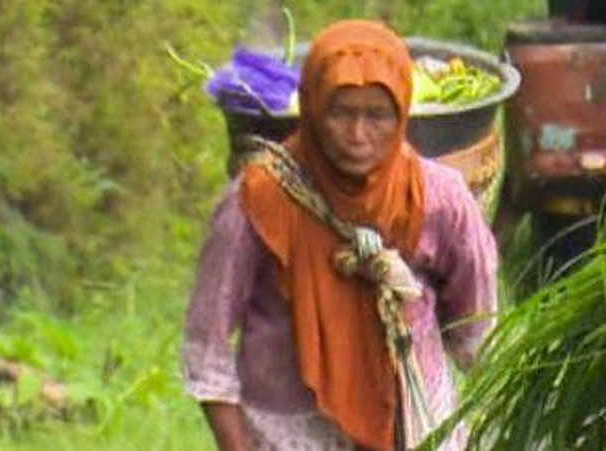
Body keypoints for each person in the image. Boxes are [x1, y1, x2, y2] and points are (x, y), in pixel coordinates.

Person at [182, 20, 498, 451]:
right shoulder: (257, 202)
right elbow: (208, 351)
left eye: (377, 116)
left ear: (402, 111)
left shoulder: (439, 200)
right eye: (341, 113)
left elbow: (475, 333)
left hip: (413, 429)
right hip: (289, 436)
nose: (358, 136)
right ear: (311, 107)